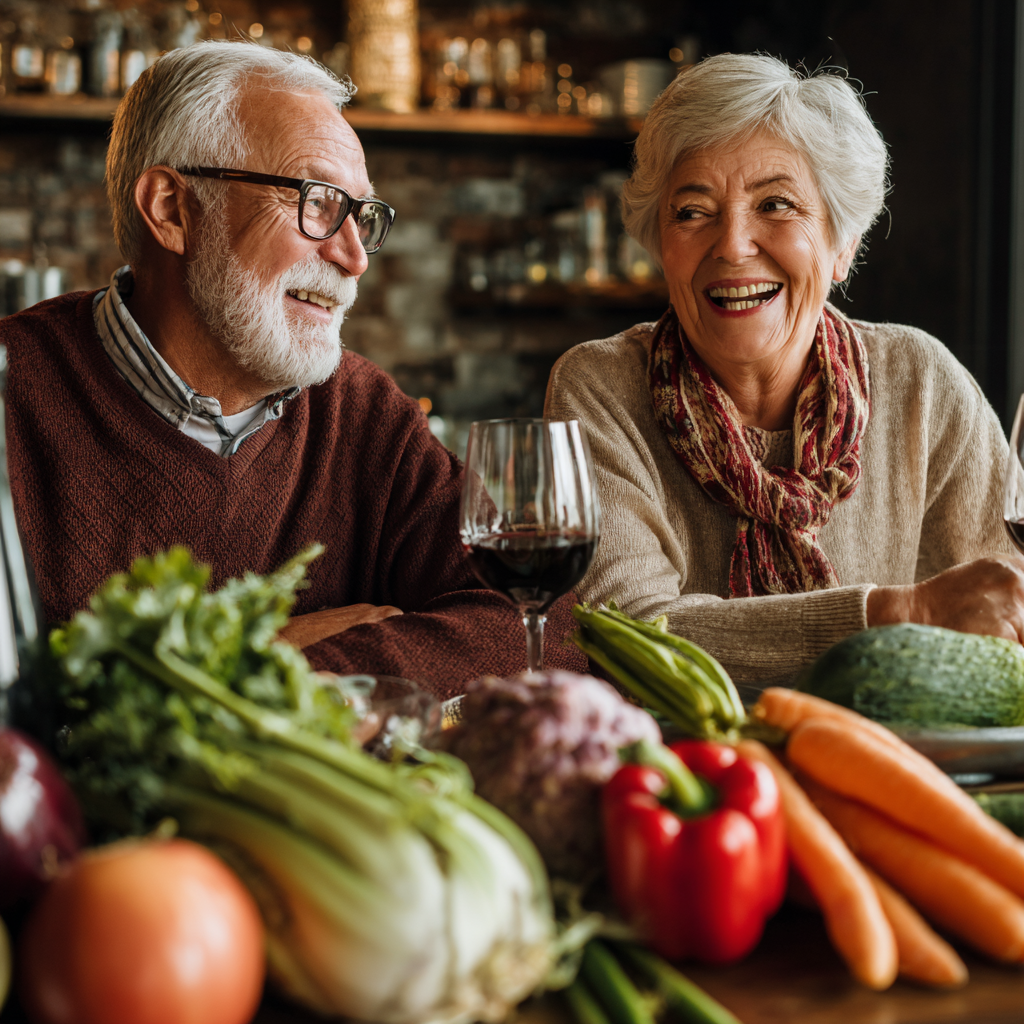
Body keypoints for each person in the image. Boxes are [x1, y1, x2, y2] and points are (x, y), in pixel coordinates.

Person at [1, 41, 585, 699]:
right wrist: (259, 657)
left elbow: (543, 628)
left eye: (360, 215)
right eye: (316, 201)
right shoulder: (11, 396)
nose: (354, 256)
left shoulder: (363, 412)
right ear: (170, 208)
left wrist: (292, 667)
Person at [545, 53, 1024, 688]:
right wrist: (902, 613)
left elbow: (1008, 610)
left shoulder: (921, 380)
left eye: (776, 204)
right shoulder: (600, 387)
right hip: (684, 773)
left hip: (910, 764)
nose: (733, 244)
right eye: (692, 211)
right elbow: (631, 637)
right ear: (660, 244)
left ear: (842, 244)